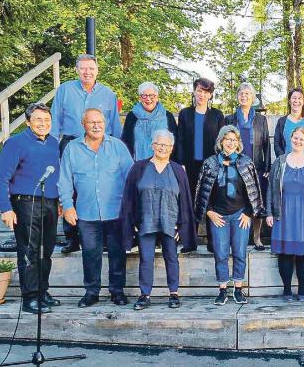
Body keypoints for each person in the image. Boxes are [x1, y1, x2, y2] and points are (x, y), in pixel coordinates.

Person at [58, 108, 134, 308]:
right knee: (90, 254)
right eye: (91, 122)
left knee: (118, 253)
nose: (96, 125)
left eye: (100, 122)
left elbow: (130, 179)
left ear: (105, 123)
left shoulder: (118, 147)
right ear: (83, 125)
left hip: (116, 212)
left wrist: (132, 210)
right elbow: (64, 180)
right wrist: (67, 205)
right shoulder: (72, 149)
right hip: (87, 212)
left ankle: (117, 291)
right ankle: (91, 292)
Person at [0, 103, 61, 314]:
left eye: (47, 120)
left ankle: (42, 292)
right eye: (38, 120)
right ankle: (30, 297)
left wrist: (58, 202)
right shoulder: (15, 143)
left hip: (50, 203)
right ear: (28, 121)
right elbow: (0, 180)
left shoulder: (54, 143)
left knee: (46, 251)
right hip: (25, 203)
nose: (43, 124)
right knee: (29, 252)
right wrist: (6, 208)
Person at [50, 54, 122, 254]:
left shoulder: (108, 95)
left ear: (97, 70)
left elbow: (115, 125)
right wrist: (52, 148)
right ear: (76, 70)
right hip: (71, 142)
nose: (87, 72)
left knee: (101, 186)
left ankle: (105, 237)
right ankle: (72, 238)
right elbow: (55, 119)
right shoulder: (64, 90)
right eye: (83, 68)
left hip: (101, 145)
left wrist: (116, 149)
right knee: (69, 189)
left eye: (91, 68)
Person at [119, 130, 197, 311]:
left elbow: (184, 199)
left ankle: (174, 294)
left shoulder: (178, 170)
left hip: (170, 221)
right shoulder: (139, 168)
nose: (163, 148)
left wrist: (181, 224)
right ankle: (145, 295)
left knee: (172, 257)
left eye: (167, 145)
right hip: (145, 221)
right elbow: (129, 197)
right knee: (146, 259)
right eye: (159, 144)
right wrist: (133, 222)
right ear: (153, 145)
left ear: (172, 148)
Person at [194, 126, 265, 305]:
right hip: (219, 216)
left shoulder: (246, 162)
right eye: (227, 139)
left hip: (240, 215)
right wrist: (209, 212)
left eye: (234, 140)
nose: (231, 143)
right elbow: (202, 190)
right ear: (221, 141)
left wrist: (249, 213)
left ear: (238, 142)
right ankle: (222, 289)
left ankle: (238, 289)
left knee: (240, 252)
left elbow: (254, 190)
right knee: (221, 253)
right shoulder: (210, 163)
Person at [266, 127, 304, 302]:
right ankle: (286, 290)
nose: (298, 141)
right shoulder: (280, 161)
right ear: (290, 139)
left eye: (302, 139)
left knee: (303, 254)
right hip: (283, 213)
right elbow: (271, 188)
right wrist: (269, 212)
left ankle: (301, 290)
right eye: (295, 138)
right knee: (285, 253)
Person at [175, 78, 224, 252]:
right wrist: (180, 163)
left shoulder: (217, 115)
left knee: (212, 200)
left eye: (206, 92)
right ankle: (190, 242)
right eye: (199, 91)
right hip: (190, 165)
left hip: (211, 165)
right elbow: (179, 139)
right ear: (194, 92)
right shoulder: (185, 114)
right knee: (190, 202)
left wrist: (220, 163)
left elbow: (221, 141)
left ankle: (213, 242)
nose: (202, 95)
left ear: (210, 95)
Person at [224, 83, 271, 251]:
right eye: (241, 94)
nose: (244, 96)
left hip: (255, 167)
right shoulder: (230, 118)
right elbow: (224, 142)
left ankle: (257, 237)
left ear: (253, 98)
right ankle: (235, 238)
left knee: (256, 202)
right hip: (235, 167)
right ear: (237, 97)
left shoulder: (261, 119)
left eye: (247, 94)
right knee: (236, 201)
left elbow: (266, 144)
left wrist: (267, 167)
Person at [121, 82, 178, 161]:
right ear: (140, 98)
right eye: (144, 95)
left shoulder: (168, 116)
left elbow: (175, 142)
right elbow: (125, 141)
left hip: (163, 164)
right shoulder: (132, 116)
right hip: (137, 164)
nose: (148, 99)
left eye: (152, 95)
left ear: (157, 97)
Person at [273, 88, 304, 157]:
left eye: (299, 98)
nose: (296, 101)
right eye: (294, 98)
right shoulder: (282, 121)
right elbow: (277, 144)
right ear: (289, 101)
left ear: (303, 101)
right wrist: (284, 159)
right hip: (286, 163)